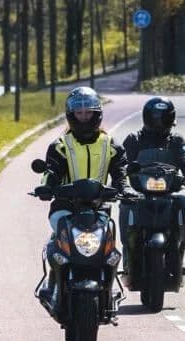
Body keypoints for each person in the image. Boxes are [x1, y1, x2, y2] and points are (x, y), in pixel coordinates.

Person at [37, 87, 133, 300]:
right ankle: (53, 283)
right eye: (79, 113)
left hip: (98, 207)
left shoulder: (111, 144)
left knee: (108, 245)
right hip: (64, 207)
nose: (83, 117)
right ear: (71, 115)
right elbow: (50, 171)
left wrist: (123, 188)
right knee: (59, 243)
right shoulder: (60, 145)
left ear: (96, 114)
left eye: (87, 112)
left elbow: (121, 171)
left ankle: (110, 287)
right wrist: (45, 186)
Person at [119, 96, 185, 272]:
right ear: (146, 117)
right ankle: (127, 252)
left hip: (168, 192)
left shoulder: (177, 141)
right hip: (140, 192)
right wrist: (126, 172)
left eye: (163, 117)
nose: (158, 121)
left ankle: (179, 251)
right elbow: (123, 161)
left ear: (171, 118)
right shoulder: (134, 139)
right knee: (126, 207)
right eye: (155, 117)